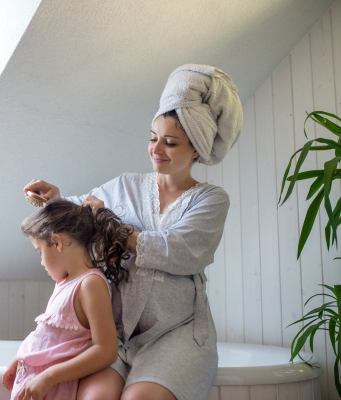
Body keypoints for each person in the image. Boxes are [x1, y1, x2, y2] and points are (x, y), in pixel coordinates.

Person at [23, 64, 243, 400]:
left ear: (196, 148)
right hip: (115, 334)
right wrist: (55, 198)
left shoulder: (211, 200)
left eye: (170, 143)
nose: (156, 150)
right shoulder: (126, 185)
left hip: (176, 334)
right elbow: (83, 210)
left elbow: (180, 252)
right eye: (153, 139)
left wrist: (111, 223)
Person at [2, 199, 134, 400]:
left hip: (53, 387)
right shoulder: (64, 282)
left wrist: (49, 377)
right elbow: (49, 334)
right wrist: (19, 358)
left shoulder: (90, 284)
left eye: (40, 252)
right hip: (34, 382)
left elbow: (106, 350)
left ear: (57, 242)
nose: (41, 262)